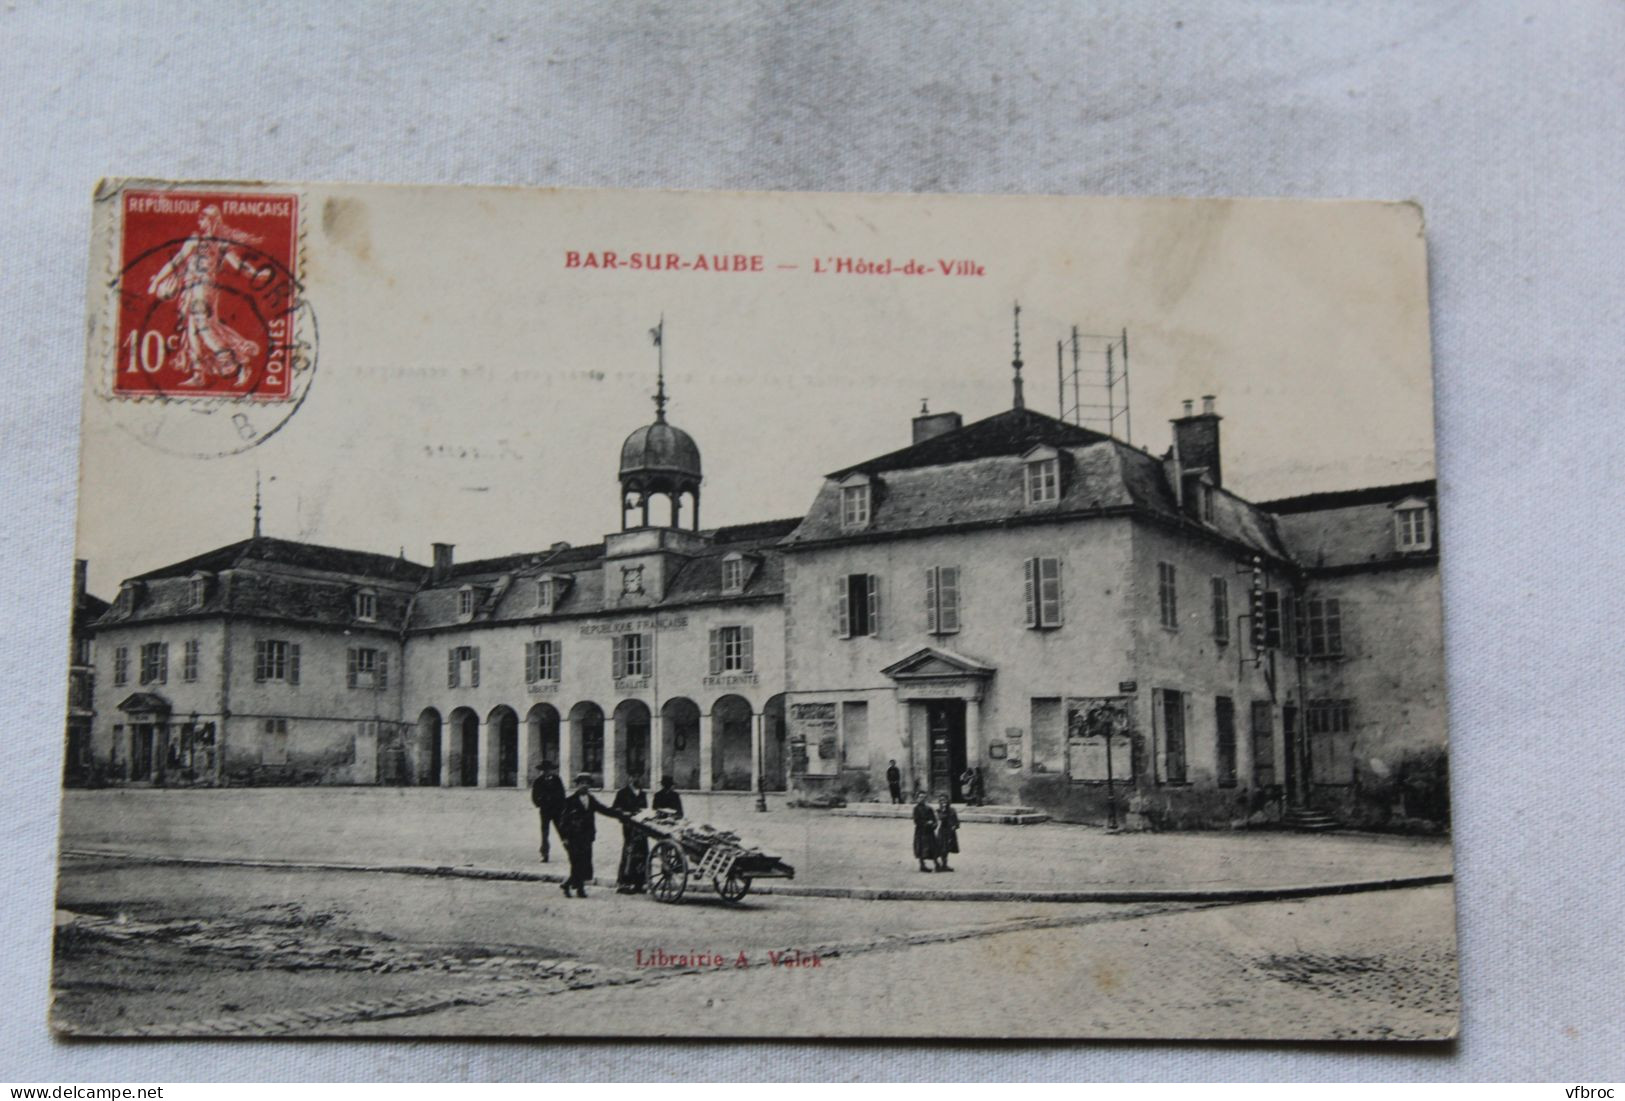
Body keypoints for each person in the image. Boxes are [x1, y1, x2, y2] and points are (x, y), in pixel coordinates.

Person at [558, 773, 604, 898]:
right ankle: (575, 887)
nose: (584, 786)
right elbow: (562, 822)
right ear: (577, 785)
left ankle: (571, 886)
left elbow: (603, 809)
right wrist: (565, 838)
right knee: (576, 863)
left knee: (585, 863)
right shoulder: (570, 801)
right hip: (573, 838)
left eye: (587, 783)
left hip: (587, 837)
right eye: (581, 783)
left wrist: (619, 814)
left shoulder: (591, 799)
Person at [611, 774, 650, 894]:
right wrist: (625, 814)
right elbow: (615, 809)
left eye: (639, 776)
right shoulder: (622, 793)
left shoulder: (642, 793)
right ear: (629, 778)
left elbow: (645, 808)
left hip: (641, 828)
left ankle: (639, 883)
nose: (637, 779)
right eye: (634, 777)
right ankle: (624, 883)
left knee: (643, 854)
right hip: (629, 827)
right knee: (629, 853)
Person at [530, 760, 566, 863]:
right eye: (544, 770)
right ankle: (544, 854)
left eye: (548, 770)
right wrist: (540, 803)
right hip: (545, 811)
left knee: (562, 830)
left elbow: (562, 794)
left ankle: (570, 851)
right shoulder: (538, 781)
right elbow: (534, 796)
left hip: (557, 810)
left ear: (552, 770)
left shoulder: (557, 780)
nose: (546, 772)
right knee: (545, 833)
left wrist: (561, 806)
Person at [911, 791, 938, 873]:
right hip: (921, 831)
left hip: (929, 831)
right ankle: (922, 865)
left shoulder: (929, 808)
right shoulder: (916, 809)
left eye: (923, 797)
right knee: (921, 847)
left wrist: (933, 824)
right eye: (920, 797)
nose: (922, 799)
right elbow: (916, 821)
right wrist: (926, 823)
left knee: (933, 847)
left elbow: (934, 819)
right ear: (917, 799)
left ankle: (937, 864)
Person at [934, 795, 960, 872]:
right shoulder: (939, 811)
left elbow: (957, 822)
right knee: (941, 848)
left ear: (948, 801)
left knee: (947, 848)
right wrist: (943, 810)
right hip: (942, 831)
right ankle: (938, 864)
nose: (943, 802)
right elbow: (941, 818)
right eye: (941, 801)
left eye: (944, 800)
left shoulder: (952, 810)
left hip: (950, 832)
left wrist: (955, 826)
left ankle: (944, 864)